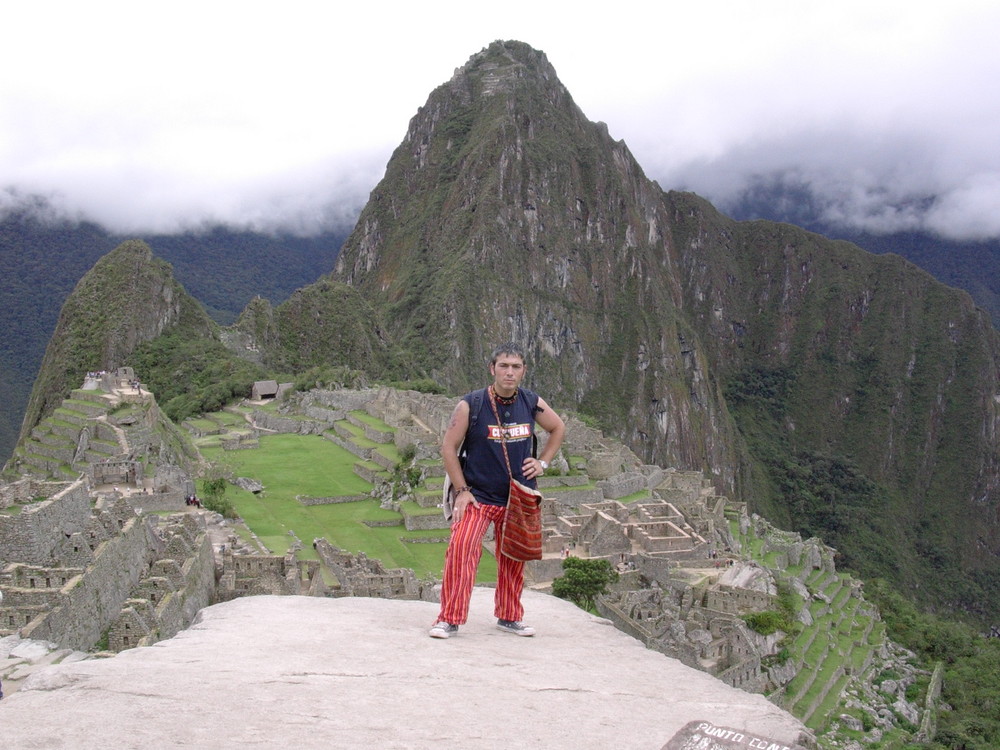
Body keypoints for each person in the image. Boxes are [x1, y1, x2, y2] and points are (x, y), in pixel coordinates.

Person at [430, 343, 565, 639]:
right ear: (492, 369)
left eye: (516, 367)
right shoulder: (471, 404)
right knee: (461, 550)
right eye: (504, 366)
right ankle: (449, 618)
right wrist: (462, 490)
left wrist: (543, 462)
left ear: (524, 371)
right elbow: (448, 447)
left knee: (514, 557)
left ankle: (509, 616)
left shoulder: (531, 402)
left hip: (517, 495)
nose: (509, 372)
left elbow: (557, 428)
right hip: (478, 494)